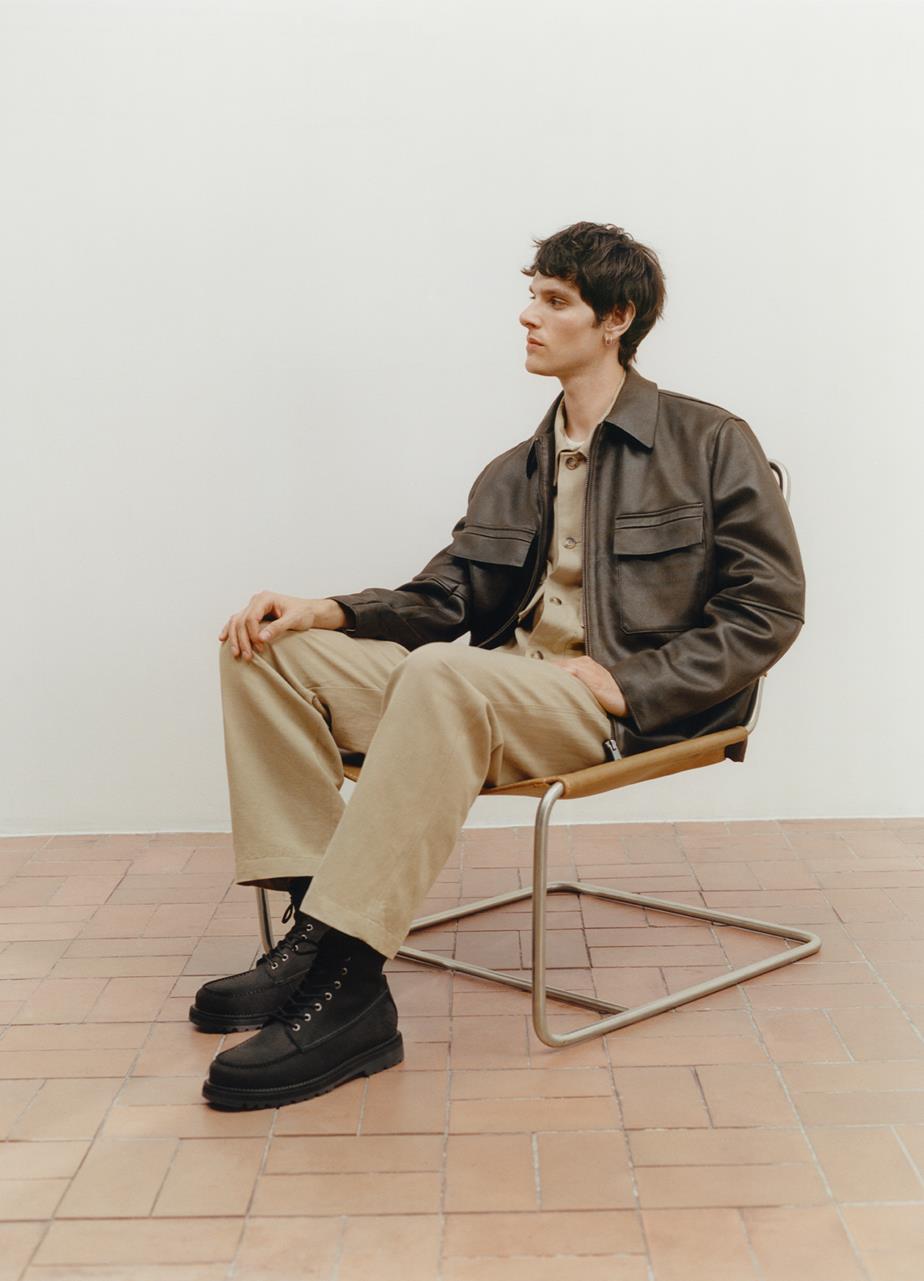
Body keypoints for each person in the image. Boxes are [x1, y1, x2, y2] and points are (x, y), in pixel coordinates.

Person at [191, 221, 806, 1111]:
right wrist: (330, 610)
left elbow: (768, 608)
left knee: (446, 677)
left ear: (615, 318)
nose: (527, 316)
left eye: (554, 301)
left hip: (611, 710)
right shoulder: (516, 470)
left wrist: (632, 680)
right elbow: (449, 599)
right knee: (266, 651)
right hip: (496, 690)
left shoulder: (710, 442)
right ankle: (315, 935)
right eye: (531, 295)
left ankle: (353, 988)